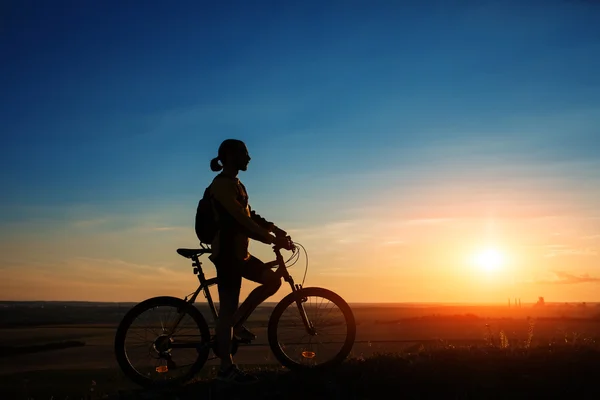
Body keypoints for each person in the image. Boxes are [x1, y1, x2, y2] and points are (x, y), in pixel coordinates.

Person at [207, 139, 291, 384]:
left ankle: (236, 324)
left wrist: (275, 229)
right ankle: (225, 368)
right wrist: (270, 239)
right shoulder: (221, 185)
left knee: (273, 281)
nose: (249, 158)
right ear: (232, 155)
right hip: (227, 256)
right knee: (227, 310)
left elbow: (249, 215)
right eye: (245, 154)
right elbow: (241, 221)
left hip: (239, 254)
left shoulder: (236, 184)